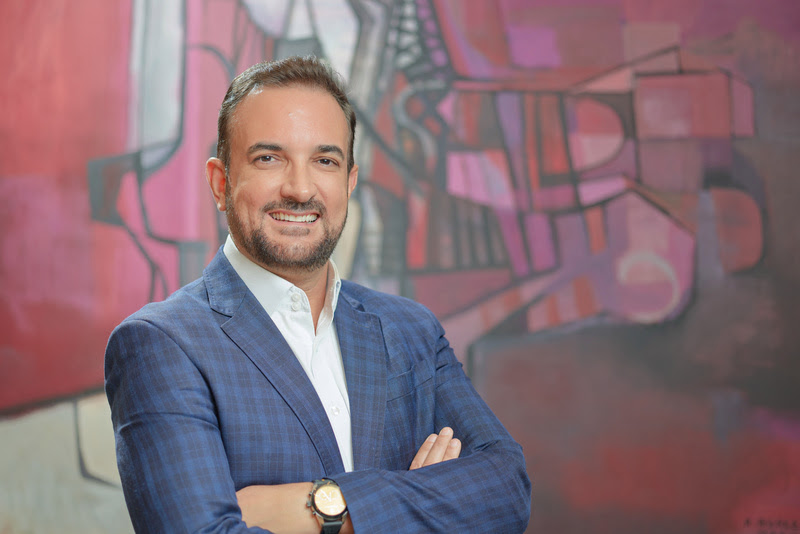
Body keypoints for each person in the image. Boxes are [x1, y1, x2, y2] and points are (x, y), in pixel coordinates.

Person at [105, 55, 531, 533]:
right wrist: (425, 501)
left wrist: (328, 509)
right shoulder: (160, 344)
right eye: (269, 158)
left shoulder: (412, 330)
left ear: (349, 183)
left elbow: (507, 488)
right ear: (221, 183)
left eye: (325, 161)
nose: (300, 189)